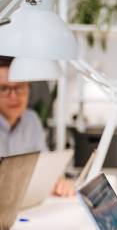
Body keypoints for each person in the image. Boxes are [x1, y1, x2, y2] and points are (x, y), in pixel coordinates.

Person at [0, 56, 74, 197]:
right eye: (4, 89)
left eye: (20, 87)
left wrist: (58, 182)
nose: (14, 96)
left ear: (28, 88)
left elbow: (45, 167)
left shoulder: (31, 120)